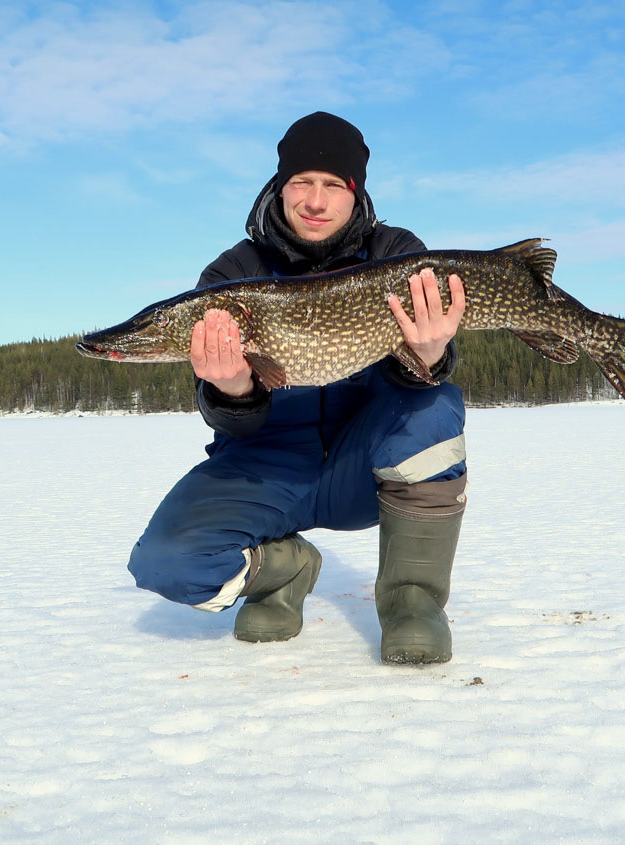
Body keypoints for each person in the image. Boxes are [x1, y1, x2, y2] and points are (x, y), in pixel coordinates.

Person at [127, 112, 468, 664]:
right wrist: (235, 388)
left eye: (334, 184)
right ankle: (282, 573)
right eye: (301, 182)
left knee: (433, 403)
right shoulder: (233, 272)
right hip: (266, 469)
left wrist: (428, 356)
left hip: (366, 469)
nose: (315, 200)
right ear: (279, 188)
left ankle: (413, 600)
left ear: (355, 193)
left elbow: (411, 383)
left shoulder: (396, 254)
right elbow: (229, 420)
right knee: (165, 562)